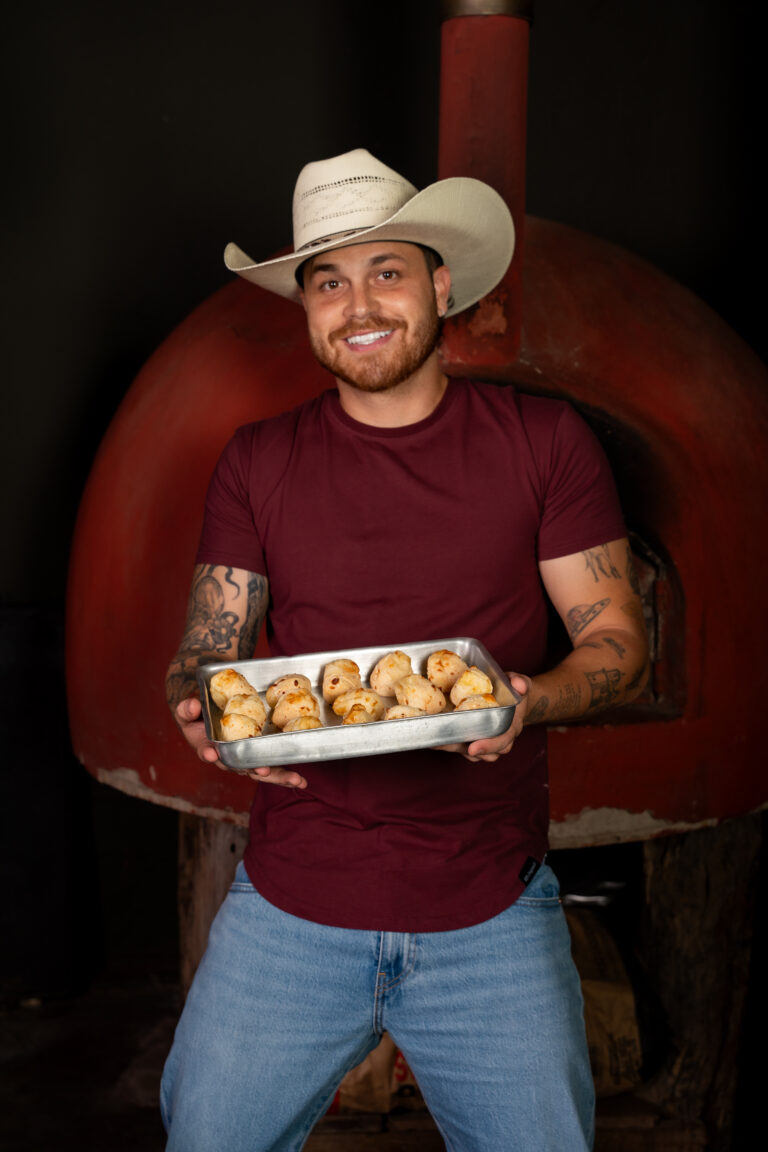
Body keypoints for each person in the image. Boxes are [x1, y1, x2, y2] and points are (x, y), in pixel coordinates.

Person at [160, 148, 649, 1152]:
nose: (358, 304)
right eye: (327, 282)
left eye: (386, 270)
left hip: (489, 911)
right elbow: (206, 648)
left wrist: (533, 700)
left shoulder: (543, 442)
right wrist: (202, 703)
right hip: (289, 910)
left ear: (441, 284)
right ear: (305, 310)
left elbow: (615, 641)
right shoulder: (259, 460)